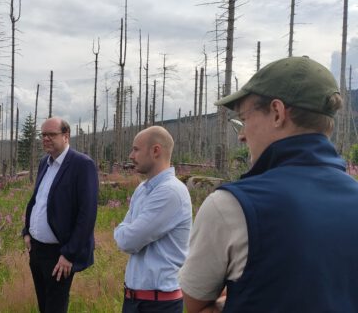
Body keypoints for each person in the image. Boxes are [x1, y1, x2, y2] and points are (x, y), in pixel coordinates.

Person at [179, 56, 358, 313]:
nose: (241, 134)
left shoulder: (232, 205)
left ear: (277, 113)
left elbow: (195, 304)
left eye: (244, 118)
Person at [22, 117, 99, 313]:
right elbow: (37, 200)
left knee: (55, 307)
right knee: (44, 304)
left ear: (66, 136)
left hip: (60, 254)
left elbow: (87, 214)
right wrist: (26, 232)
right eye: (43, 135)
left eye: (51, 134)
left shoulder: (82, 164)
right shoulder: (44, 163)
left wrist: (69, 254)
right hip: (37, 250)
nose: (46, 138)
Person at [114, 126, 192, 313]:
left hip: (159, 304)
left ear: (156, 150)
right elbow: (126, 232)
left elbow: (128, 241)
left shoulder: (170, 192)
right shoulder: (143, 189)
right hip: (135, 300)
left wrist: (123, 231)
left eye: (136, 149)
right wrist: (124, 231)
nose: (131, 155)